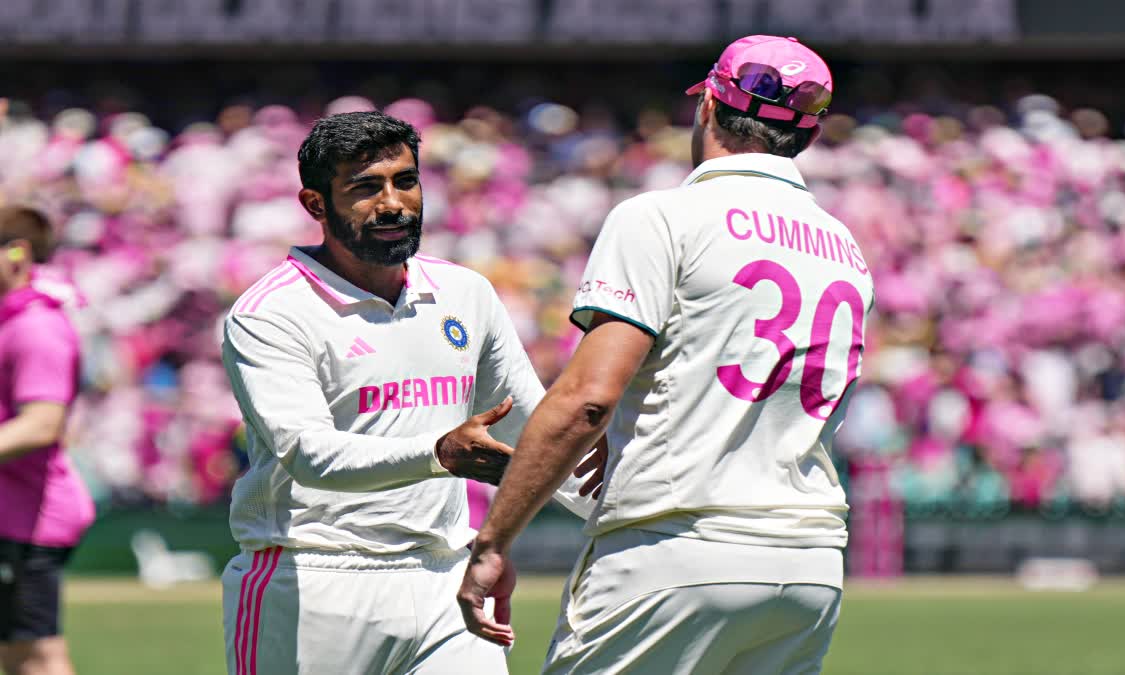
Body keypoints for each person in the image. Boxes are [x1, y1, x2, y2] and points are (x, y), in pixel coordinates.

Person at [459, 35, 874, 674]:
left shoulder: (661, 215)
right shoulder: (844, 245)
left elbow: (587, 399)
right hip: (810, 557)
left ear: (708, 105)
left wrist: (493, 542)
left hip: (679, 546)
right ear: (809, 136)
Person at [220, 111, 602, 675]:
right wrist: (439, 454)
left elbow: (535, 424)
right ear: (315, 204)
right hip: (313, 576)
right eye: (365, 188)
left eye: (405, 181)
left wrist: (628, 511)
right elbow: (306, 454)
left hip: (446, 577)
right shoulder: (269, 313)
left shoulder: (463, 292)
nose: (393, 203)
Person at [0, 206, 94, 675]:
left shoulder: (35, 327)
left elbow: (41, 423)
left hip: (27, 518)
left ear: (16, 254)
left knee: (35, 655)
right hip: (12, 511)